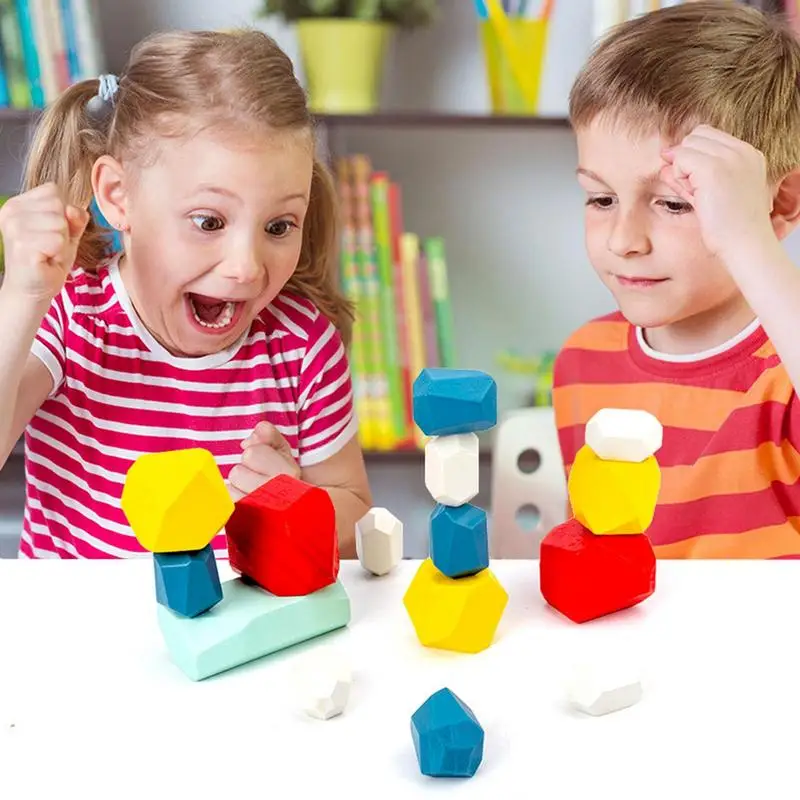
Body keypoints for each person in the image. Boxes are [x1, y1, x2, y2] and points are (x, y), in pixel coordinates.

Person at [0, 29, 372, 559]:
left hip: (241, 637)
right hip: (82, 634)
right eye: (208, 220)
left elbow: (355, 509)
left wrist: (298, 504)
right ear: (118, 196)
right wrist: (19, 298)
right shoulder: (70, 318)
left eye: (279, 226)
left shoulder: (302, 346)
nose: (245, 268)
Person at [552, 1, 800, 558]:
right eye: (600, 198)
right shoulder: (582, 362)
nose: (623, 240)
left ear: (780, 203)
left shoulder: (784, 370)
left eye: (672, 202)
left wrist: (746, 241)